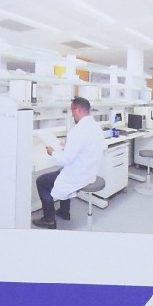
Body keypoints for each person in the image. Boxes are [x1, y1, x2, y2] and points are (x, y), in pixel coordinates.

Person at [34, 95, 105, 229]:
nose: (72, 115)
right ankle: (64, 212)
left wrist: (52, 152)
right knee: (60, 173)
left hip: (78, 175)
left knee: (41, 181)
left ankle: (49, 219)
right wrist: (68, 146)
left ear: (78, 110)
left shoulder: (77, 131)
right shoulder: (96, 128)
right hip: (89, 172)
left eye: (72, 111)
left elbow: (65, 160)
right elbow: (85, 148)